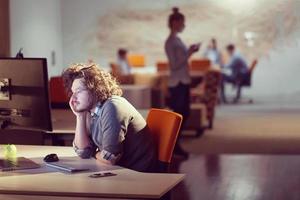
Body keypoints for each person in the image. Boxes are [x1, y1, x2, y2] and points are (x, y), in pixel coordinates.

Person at [61, 63, 157, 172]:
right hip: (120, 171)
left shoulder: (112, 106)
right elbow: (83, 152)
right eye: (73, 92)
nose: (73, 97)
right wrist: (80, 116)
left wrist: (93, 153)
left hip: (138, 176)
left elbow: (109, 159)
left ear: (95, 88)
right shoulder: (92, 112)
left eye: (79, 91)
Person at [165, 7, 200, 158]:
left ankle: (175, 145)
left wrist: (189, 53)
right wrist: (189, 53)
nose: (184, 25)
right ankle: (173, 146)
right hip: (177, 83)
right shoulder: (170, 42)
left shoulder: (177, 40)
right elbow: (174, 65)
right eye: (182, 22)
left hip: (183, 81)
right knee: (180, 115)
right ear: (175, 22)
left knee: (184, 114)